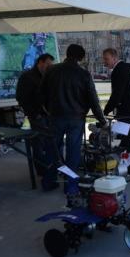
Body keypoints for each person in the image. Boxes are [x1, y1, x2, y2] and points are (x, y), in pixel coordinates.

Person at [42, 44, 106, 191]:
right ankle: (70, 186)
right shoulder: (83, 74)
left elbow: (41, 94)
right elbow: (93, 100)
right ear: (81, 58)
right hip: (76, 119)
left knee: (53, 150)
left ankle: (49, 181)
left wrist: (48, 110)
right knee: (73, 153)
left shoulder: (52, 70)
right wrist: (102, 120)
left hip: (55, 117)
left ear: (67, 54)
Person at [16, 53, 55, 184]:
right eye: (48, 64)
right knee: (38, 144)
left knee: (50, 143)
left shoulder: (47, 76)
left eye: (51, 65)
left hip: (48, 115)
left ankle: (50, 168)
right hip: (36, 116)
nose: (50, 67)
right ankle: (41, 171)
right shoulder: (27, 77)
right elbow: (21, 98)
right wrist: (34, 114)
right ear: (40, 62)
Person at [102, 48, 130, 179]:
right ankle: (127, 169)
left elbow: (117, 94)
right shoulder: (125, 67)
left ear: (114, 57)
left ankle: (127, 170)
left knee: (124, 142)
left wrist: (105, 111)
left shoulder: (119, 70)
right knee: (124, 141)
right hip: (128, 110)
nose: (105, 62)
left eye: (106, 59)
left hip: (126, 111)